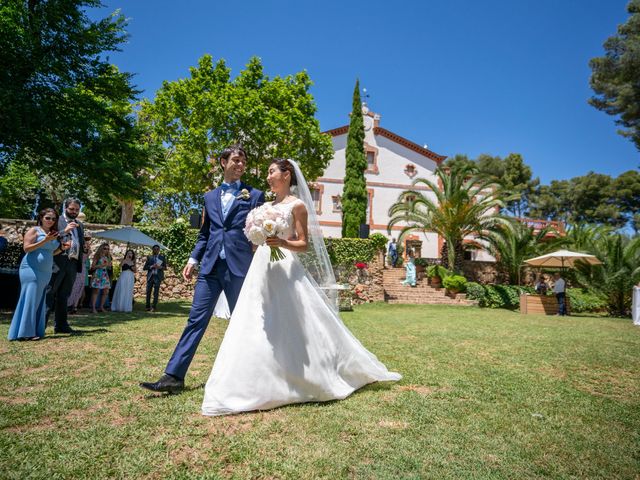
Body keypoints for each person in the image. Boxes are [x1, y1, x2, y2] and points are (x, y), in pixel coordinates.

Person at [201, 158, 401, 416]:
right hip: (260, 266)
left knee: (290, 320)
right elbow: (255, 238)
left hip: (285, 266)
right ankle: (255, 376)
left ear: (286, 175)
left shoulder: (298, 206)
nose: (268, 177)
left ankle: (304, 375)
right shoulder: (265, 206)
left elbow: (304, 243)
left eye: (272, 172)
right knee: (255, 319)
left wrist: (280, 243)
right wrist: (257, 237)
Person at [140, 144, 265, 393]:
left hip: (239, 268)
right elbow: (206, 233)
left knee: (245, 322)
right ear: (223, 162)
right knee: (195, 320)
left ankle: (255, 377)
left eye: (243, 162)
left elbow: (258, 231)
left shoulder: (254, 195)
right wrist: (192, 260)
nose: (240, 165)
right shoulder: (209, 197)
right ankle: (174, 376)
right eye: (236, 160)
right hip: (209, 268)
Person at [8, 209, 68, 340]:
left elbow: (50, 252)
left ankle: (35, 330)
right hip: (30, 268)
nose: (51, 221)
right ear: (41, 218)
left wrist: (62, 249)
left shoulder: (53, 233)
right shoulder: (34, 230)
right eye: (48, 218)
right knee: (30, 298)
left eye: (53, 219)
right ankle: (25, 333)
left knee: (39, 299)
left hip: (46, 271)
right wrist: (45, 240)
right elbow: (27, 248)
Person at [46, 198, 85, 334]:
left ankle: (61, 325)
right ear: (65, 208)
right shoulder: (56, 221)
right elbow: (49, 238)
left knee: (64, 295)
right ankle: (41, 325)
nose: (74, 212)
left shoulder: (80, 224)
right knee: (50, 293)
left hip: (72, 264)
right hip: (57, 263)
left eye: (77, 210)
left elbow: (79, 242)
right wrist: (65, 230)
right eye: (71, 209)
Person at [68, 236, 91, 314]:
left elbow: (88, 250)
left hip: (83, 270)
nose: (85, 246)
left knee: (80, 288)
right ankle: (70, 305)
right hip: (78, 270)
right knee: (74, 287)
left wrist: (86, 244)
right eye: (84, 246)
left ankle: (75, 306)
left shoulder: (86, 252)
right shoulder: (78, 252)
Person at [143, 245, 166, 312]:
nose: (156, 250)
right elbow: (145, 267)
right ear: (152, 250)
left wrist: (160, 267)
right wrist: (151, 266)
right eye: (154, 249)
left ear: (159, 250)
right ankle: (147, 306)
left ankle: (154, 307)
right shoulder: (149, 257)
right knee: (148, 292)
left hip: (157, 277)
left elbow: (165, 267)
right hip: (150, 277)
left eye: (157, 249)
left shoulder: (162, 257)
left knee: (156, 293)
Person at [90, 243, 112, 313]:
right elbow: (93, 267)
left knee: (106, 291)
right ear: (101, 248)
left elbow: (108, 267)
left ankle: (101, 307)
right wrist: (101, 265)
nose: (107, 250)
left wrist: (109, 265)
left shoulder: (108, 257)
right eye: (105, 248)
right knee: (96, 291)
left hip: (105, 274)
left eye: (108, 249)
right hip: (98, 274)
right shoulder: (97, 256)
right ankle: (93, 308)